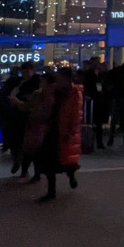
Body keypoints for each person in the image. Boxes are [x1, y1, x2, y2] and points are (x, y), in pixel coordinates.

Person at [37, 68, 83, 202]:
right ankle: (51, 191)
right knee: (50, 160)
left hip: (63, 131)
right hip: (53, 128)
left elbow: (76, 116)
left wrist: (70, 132)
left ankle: (70, 176)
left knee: (65, 161)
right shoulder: (56, 91)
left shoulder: (75, 94)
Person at [2, 62, 41, 174]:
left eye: (27, 71)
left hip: (27, 117)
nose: (25, 74)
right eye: (23, 72)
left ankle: (24, 166)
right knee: (19, 142)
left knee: (27, 144)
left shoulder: (34, 84)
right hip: (17, 116)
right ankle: (22, 164)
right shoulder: (19, 83)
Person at [79, 57, 109, 149]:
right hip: (91, 100)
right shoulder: (89, 74)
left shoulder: (100, 74)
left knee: (98, 123)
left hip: (99, 99)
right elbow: (87, 86)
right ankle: (89, 141)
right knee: (90, 121)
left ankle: (99, 142)